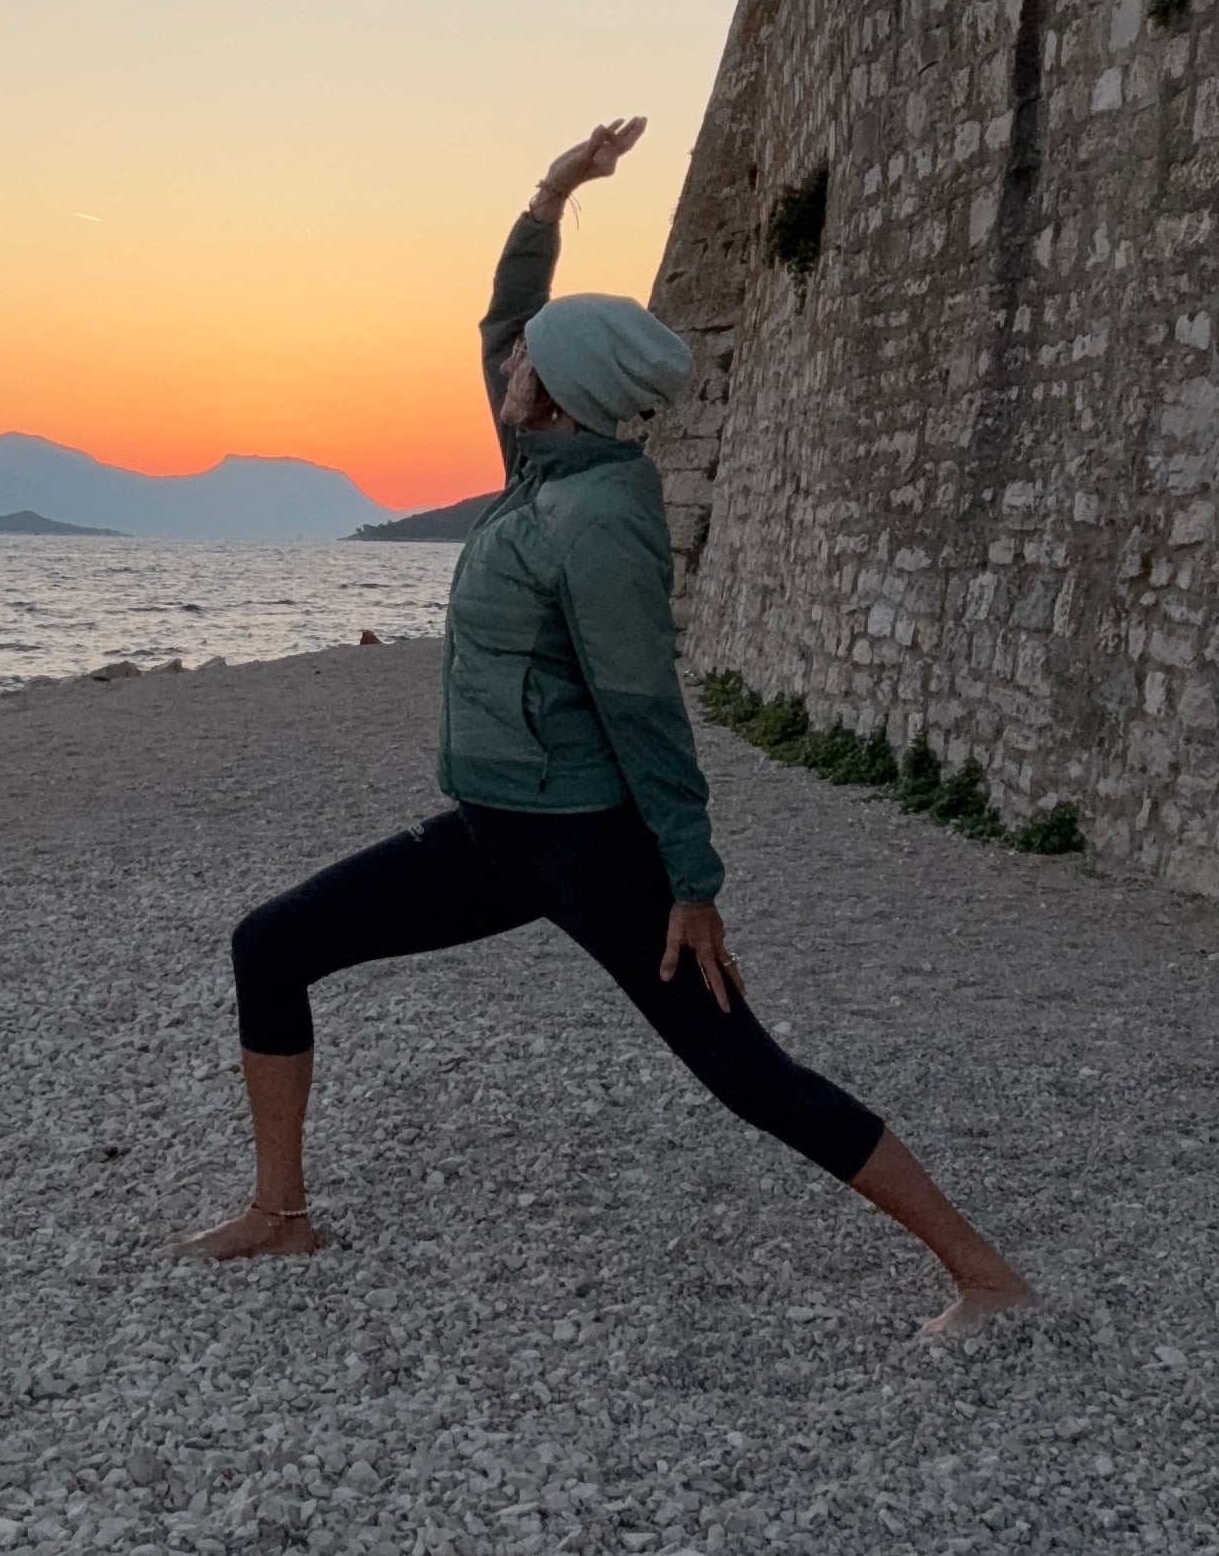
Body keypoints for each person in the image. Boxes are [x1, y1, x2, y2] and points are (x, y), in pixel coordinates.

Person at [171, 118, 1035, 1334]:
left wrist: (691, 876)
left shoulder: (597, 522)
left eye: (530, 359)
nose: (508, 361)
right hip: (491, 832)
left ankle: (984, 1276)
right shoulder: (540, 463)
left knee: (742, 1069)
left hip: (582, 842)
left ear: (562, 395)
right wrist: (552, 193)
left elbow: (643, 705)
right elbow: (500, 321)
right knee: (269, 946)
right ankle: (281, 1212)